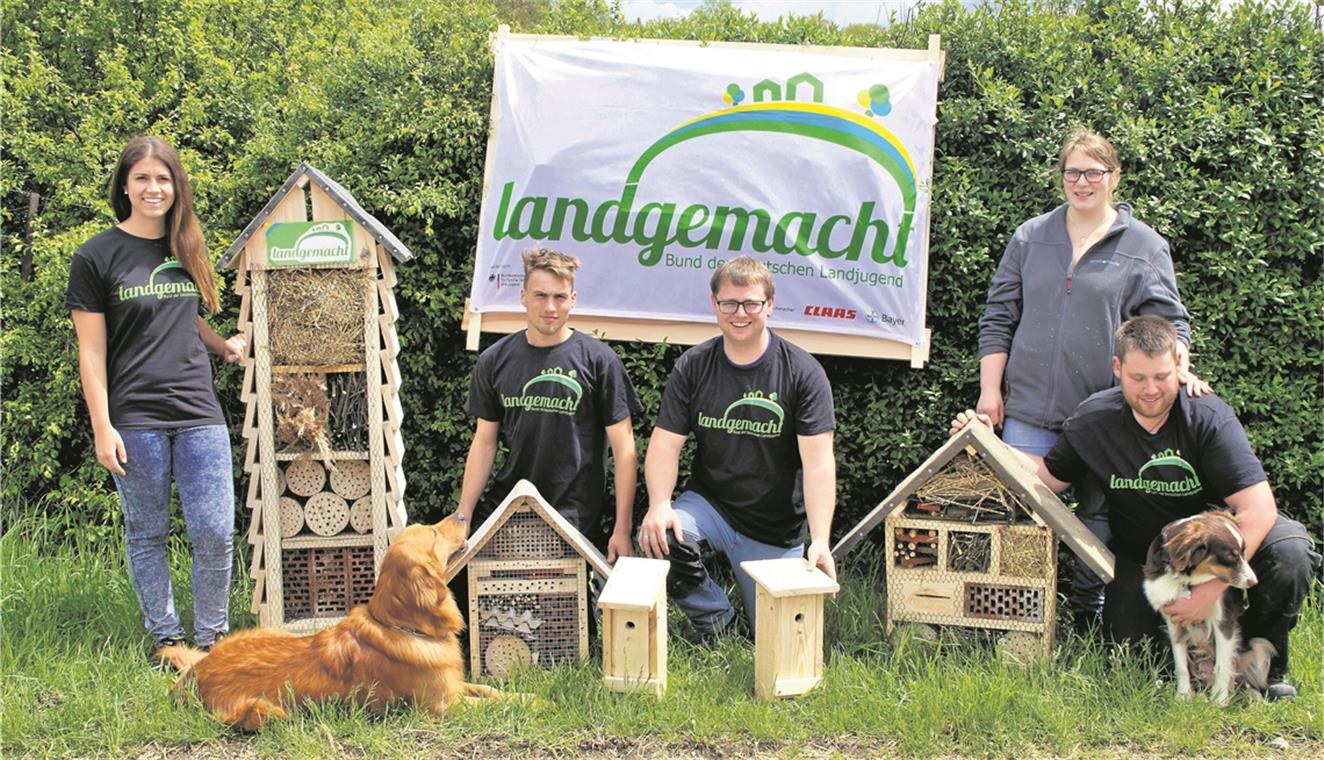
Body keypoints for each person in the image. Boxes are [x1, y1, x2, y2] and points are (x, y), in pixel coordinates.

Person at [953, 316, 1317, 700]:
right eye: (1138, 377)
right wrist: (984, 441)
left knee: (1289, 554)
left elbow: (1258, 509)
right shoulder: (1094, 419)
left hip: (1220, 545)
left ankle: (1264, 668)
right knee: (1128, 649)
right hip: (1149, 559)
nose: (1151, 390)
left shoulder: (1207, 416)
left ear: (1178, 364)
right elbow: (1047, 477)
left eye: (1161, 376)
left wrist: (1209, 590)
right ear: (1117, 368)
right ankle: (1199, 665)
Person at [976, 128, 1210, 628]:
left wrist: (1179, 373)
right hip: (1029, 410)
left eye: (1094, 172)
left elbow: (1171, 324)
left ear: (1114, 177)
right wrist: (990, 390)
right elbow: (998, 317)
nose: (1082, 182)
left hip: (1106, 413)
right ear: (1061, 176)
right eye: (1073, 172)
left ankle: (1089, 617)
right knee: (1024, 517)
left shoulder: (1144, 245)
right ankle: (1022, 618)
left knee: (1098, 521)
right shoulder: (1030, 236)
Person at [67, 136, 246, 656]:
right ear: (125, 184)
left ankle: (213, 641)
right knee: (146, 533)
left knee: (214, 532)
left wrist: (223, 345)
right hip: (135, 419)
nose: (153, 188)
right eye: (142, 178)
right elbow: (92, 352)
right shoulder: (96, 256)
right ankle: (168, 640)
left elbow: (181, 315)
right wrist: (103, 426)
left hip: (198, 411)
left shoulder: (183, 246)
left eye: (163, 178)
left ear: (176, 187)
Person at [638, 256, 836, 641]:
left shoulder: (802, 371)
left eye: (751, 304)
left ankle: (751, 619)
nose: (739, 313)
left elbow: (818, 465)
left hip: (774, 528)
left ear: (770, 305)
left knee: (777, 639)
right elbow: (664, 444)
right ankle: (717, 622)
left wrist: (821, 540)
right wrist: (660, 503)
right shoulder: (693, 366)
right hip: (710, 506)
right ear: (714, 305)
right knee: (660, 536)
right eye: (729, 303)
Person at [457, 248, 640, 561]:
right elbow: (485, 443)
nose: (551, 307)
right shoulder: (494, 360)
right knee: (459, 584)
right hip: (510, 503)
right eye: (540, 295)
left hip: (573, 512)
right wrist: (463, 516)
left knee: (559, 604)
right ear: (523, 296)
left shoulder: (600, 361)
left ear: (573, 299)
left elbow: (625, 451)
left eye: (560, 296)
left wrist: (622, 529)